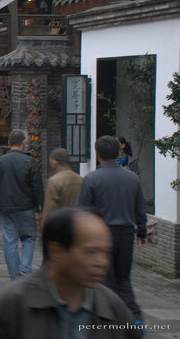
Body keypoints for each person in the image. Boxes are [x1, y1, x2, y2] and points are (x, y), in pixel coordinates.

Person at [0, 207, 142, 339]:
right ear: (56, 251)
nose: (102, 262)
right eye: (91, 252)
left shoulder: (111, 307)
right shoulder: (8, 306)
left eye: (106, 253)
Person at [76, 136, 148, 323]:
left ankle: (105, 320)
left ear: (97, 154)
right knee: (123, 280)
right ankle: (134, 318)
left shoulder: (92, 179)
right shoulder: (132, 178)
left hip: (101, 236)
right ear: (118, 152)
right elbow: (140, 209)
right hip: (126, 234)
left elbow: (82, 211)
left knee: (103, 279)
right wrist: (142, 232)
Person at [0, 129, 43, 280]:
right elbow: (37, 187)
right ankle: (24, 267)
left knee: (10, 241)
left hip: (5, 207)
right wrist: (39, 208)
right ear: (24, 143)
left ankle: (14, 277)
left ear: (8, 143)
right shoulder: (29, 161)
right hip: (25, 206)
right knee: (29, 238)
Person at [42, 148, 83, 223]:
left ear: (54, 161)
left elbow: (50, 209)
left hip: (60, 224)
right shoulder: (80, 179)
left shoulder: (54, 181)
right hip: (77, 223)